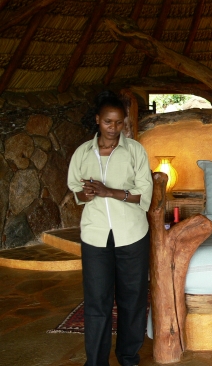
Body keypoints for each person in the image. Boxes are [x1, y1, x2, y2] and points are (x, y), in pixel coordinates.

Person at [67, 90, 153, 366]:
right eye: (107, 122)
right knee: (97, 302)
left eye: (118, 122)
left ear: (124, 122)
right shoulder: (82, 153)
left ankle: (128, 358)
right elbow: (75, 189)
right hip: (95, 236)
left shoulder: (135, 151)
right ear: (97, 120)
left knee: (132, 300)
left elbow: (144, 194)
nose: (113, 128)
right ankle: (96, 362)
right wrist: (86, 194)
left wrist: (109, 191)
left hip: (132, 235)